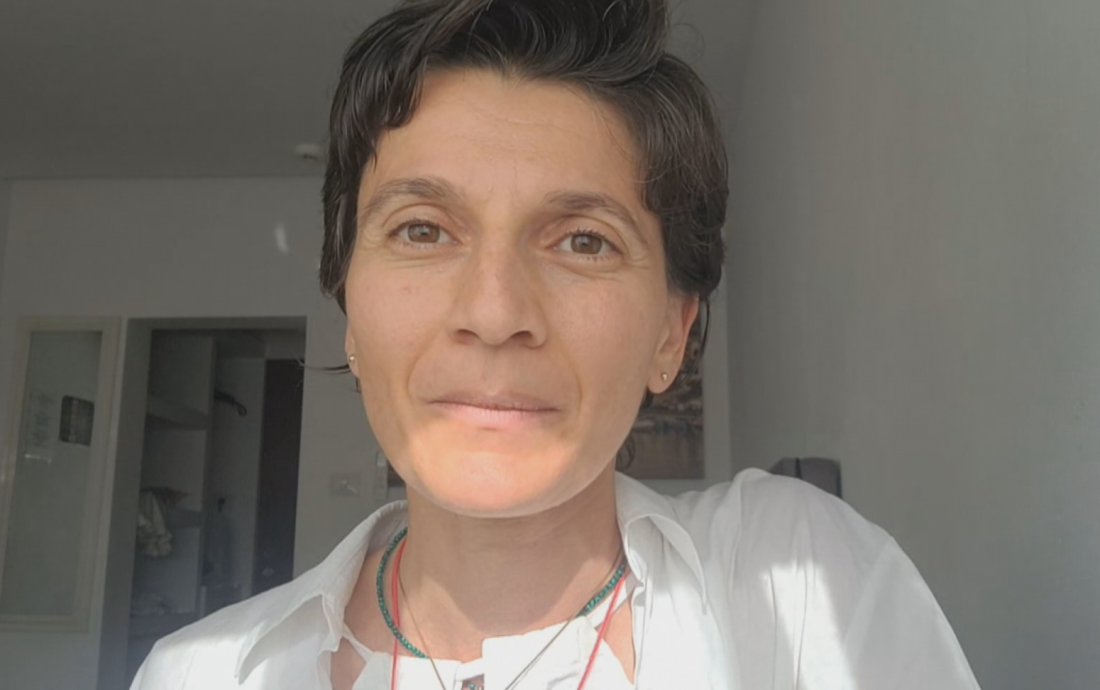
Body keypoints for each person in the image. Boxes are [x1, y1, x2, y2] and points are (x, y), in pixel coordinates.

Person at [132, 1, 981, 688]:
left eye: (583, 241)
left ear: (672, 333)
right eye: (423, 229)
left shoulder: (796, 586)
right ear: (349, 307)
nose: (495, 312)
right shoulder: (201, 674)